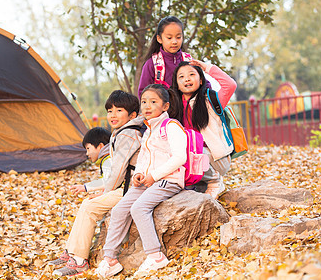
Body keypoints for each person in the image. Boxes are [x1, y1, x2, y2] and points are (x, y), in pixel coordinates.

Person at [95, 84, 187, 278]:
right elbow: (144, 159)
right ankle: (110, 259)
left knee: (139, 208)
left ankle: (156, 256)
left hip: (168, 180)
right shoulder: (148, 130)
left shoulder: (171, 127)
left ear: (165, 106)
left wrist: (154, 175)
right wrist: (140, 174)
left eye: (153, 102)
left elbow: (180, 158)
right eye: (144, 101)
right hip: (148, 180)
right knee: (120, 208)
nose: (147, 106)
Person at [50, 90, 143, 277]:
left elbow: (118, 171)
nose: (112, 115)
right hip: (124, 187)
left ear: (132, 115)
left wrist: (105, 193)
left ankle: (79, 261)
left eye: (119, 111)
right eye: (110, 111)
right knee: (87, 204)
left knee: (90, 207)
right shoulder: (123, 132)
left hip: (132, 188)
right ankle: (71, 252)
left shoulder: (129, 134)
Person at [170, 60, 237, 198]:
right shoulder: (174, 107)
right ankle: (198, 182)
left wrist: (206, 67)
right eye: (181, 76)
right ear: (176, 84)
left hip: (216, 159)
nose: (186, 79)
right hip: (192, 160)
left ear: (201, 80)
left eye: (191, 74)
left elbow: (230, 85)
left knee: (190, 149)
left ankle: (214, 180)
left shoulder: (211, 100)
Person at [137, 16, 211, 98]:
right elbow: (143, 93)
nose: (174, 41)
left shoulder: (189, 60)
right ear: (159, 39)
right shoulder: (152, 64)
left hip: (189, 109)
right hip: (163, 109)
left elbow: (204, 83)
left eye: (178, 37)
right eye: (169, 38)